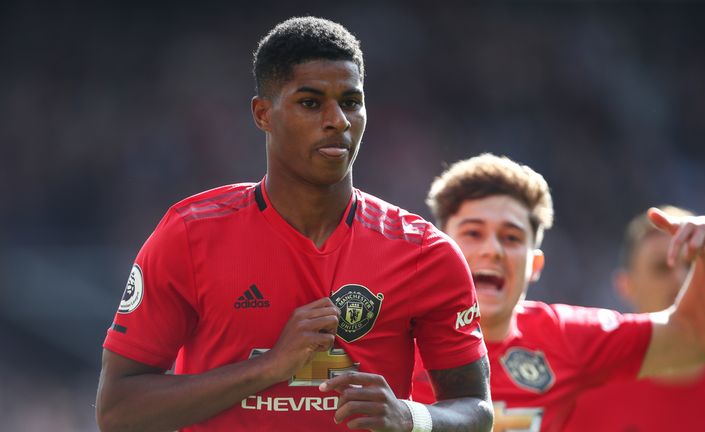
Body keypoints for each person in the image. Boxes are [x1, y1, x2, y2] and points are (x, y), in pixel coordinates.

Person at [95, 17, 493, 432]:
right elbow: (118, 412)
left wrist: (410, 417)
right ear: (263, 114)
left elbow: (477, 411)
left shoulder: (424, 253)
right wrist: (269, 368)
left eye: (351, 101)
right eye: (310, 102)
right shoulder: (190, 236)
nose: (337, 119)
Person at [410, 153, 705, 432]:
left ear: (535, 265)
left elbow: (700, 335)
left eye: (511, 237)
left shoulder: (565, 337)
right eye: (473, 232)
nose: (492, 249)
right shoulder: (391, 331)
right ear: (441, 251)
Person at [565, 206, 705, 432]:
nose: (681, 278)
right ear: (627, 286)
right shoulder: (586, 395)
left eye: (691, 265)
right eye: (662, 267)